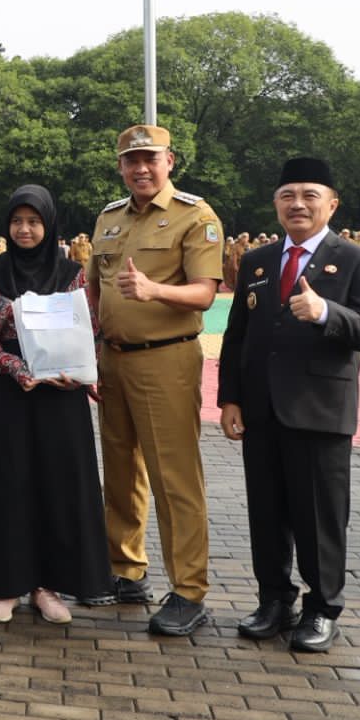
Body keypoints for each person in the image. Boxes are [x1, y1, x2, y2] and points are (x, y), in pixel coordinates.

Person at [219, 158, 360, 653]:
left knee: (319, 519)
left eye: (309, 195)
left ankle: (322, 609)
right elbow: (237, 335)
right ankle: (274, 600)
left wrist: (325, 312)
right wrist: (230, 398)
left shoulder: (356, 260)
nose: (298, 204)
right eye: (287, 195)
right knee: (266, 513)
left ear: (331, 204)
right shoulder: (257, 261)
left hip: (319, 410)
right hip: (261, 410)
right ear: (276, 204)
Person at [88, 124, 224, 636]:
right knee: (120, 470)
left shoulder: (195, 216)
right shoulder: (109, 218)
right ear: (120, 167)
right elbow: (94, 287)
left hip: (166, 359)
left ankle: (189, 590)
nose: (141, 168)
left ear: (170, 161)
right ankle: (126, 570)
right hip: (113, 359)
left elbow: (205, 293)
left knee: (174, 477)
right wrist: (88, 343)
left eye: (150, 158)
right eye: (131, 160)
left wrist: (153, 291)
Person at [0, 186, 114, 624]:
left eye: (34, 222)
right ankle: (5, 585)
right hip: (10, 393)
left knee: (58, 483)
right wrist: (15, 367)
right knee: (10, 482)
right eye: (17, 221)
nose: (25, 229)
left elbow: (90, 330)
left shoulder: (71, 275)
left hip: (60, 394)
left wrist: (81, 372)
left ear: (49, 225)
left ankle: (47, 586)